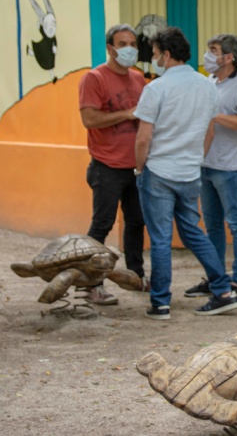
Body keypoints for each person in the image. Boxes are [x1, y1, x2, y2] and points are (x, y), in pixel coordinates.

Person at [134, 27, 237, 320]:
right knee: (194, 232)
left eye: (155, 54)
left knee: (159, 239)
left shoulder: (155, 89)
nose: (154, 59)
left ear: (166, 55)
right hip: (190, 170)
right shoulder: (207, 86)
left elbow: (143, 137)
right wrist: (196, 158)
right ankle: (222, 291)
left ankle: (160, 303)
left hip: (158, 170)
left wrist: (140, 166)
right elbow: (209, 130)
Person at [183, 34, 237, 303]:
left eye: (213, 51)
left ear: (229, 57)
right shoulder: (210, 82)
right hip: (205, 163)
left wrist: (214, 116)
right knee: (212, 226)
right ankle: (215, 277)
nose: (207, 55)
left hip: (230, 167)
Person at [77, 24, 148, 305]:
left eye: (132, 43)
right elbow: (90, 119)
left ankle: (136, 276)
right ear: (110, 48)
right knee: (102, 225)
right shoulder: (94, 78)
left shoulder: (139, 79)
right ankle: (91, 284)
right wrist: (126, 113)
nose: (129, 48)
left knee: (136, 222)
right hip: (106, 165)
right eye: (123, 43)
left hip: (136, 166)